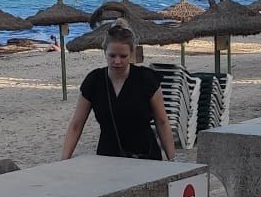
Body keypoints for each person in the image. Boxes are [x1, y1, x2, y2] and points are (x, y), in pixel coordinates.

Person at [61, 23, 177, 161]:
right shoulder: (94, 81)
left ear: (131, 54)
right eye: (112, 55)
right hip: (107, 158)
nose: (117, 61)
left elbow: (162, 122)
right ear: (104, 52)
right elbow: (76, 125)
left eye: (123, 56)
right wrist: (63, 161)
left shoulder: (146, 79)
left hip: (145, 157)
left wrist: (172, 160)